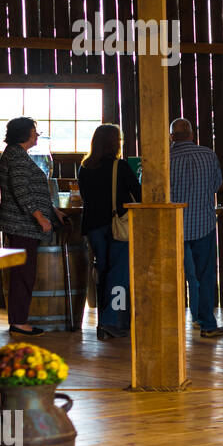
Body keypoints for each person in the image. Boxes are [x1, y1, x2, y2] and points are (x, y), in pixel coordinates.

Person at [0, 116, 65, 336]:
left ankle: (19, 319)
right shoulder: (16, 156)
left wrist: (52, 210)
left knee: (24, 273)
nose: (37, 134)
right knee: (23, 274)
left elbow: (30, 189)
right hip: (21, 225)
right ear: (23, 133)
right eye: (34, 131)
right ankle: (18, 321)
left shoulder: (18, 154)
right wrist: (40, 217)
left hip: (24, 225)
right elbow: (22, 191)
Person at [77, 124, 141, 341]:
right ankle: (111, 322)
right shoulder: (119, 167)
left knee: (103, 273)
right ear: (115, 143)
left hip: (93, 227)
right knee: (119, 275)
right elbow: (139, 194)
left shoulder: (84, 167)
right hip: (117, 227)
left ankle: (111, 322)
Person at [169, 117, 223, 337]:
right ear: (192, 135)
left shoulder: (165, 159)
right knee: (204, 276)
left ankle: (173, 325)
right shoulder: (209, 155)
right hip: (203, 225)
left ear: (172, 136)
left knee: (176, 276)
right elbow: (216, 185)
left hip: (174, 227)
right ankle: (206, 322)